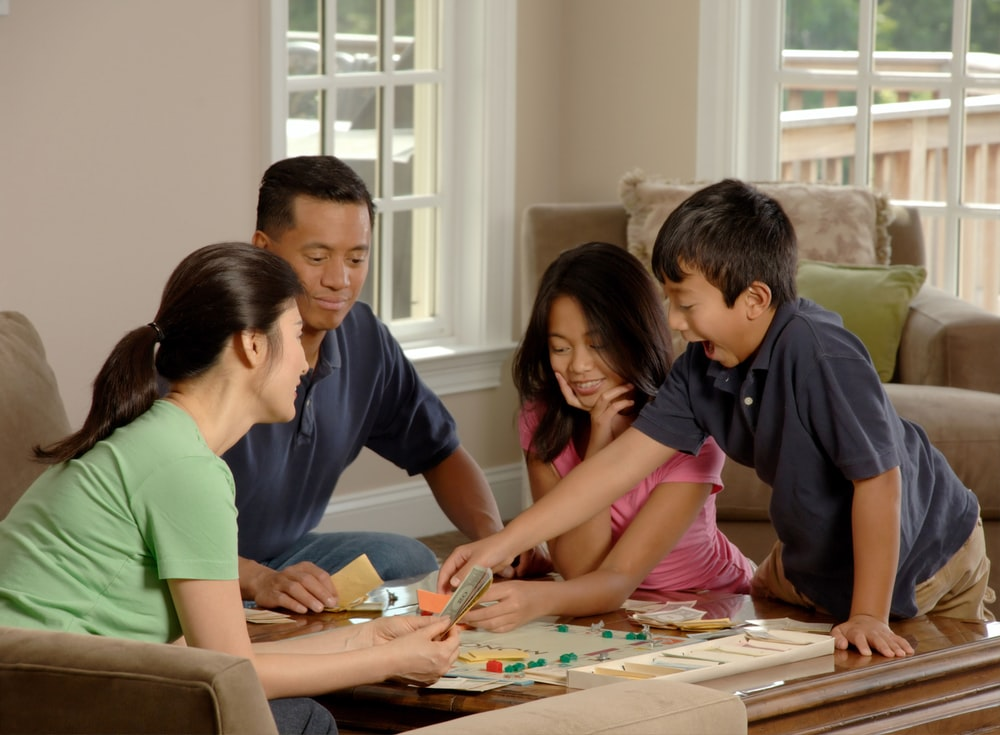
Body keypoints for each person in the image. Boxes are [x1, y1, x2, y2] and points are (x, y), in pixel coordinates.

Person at [439, 179, 995, 659]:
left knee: (914, 683)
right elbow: (612, 471)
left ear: (754, 298)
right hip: (814, 560)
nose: (675, 323)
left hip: (924, 552)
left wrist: (869, 613)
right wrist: (501, 544)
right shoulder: (699, 371)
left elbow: (879, 481)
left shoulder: (821, 353)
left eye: (686, 304)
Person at [0, 243, 460, 735]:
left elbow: (208, 655)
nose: (306, 365)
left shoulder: (160, 440)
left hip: (45, 690)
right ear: (253, 345)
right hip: (43, 705)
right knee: (302, 719)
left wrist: (374, 640)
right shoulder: (185, 468)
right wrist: (389, 662)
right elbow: (231, 673)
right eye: (297, 335)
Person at [226, 155, 548, 615]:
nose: (339, 280)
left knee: (406, 558)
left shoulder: (363, 337)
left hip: (284, 555)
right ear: (263, 249)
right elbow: (151, 529)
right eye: (317, 258)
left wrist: (492, 542)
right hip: (192, 571)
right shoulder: (216, 349)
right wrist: (257, 579)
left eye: (357, 258)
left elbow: (440, 451)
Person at [461, 242, 754, 633]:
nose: (579, 366)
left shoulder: (692, 429)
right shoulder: (543, 420)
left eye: (598, 345)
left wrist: (537, 597)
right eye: (561, 348)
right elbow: (579, 569)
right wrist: (599, 439)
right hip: (608, 610)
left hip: (707, 602)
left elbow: (615, 578)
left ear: (636, 335)